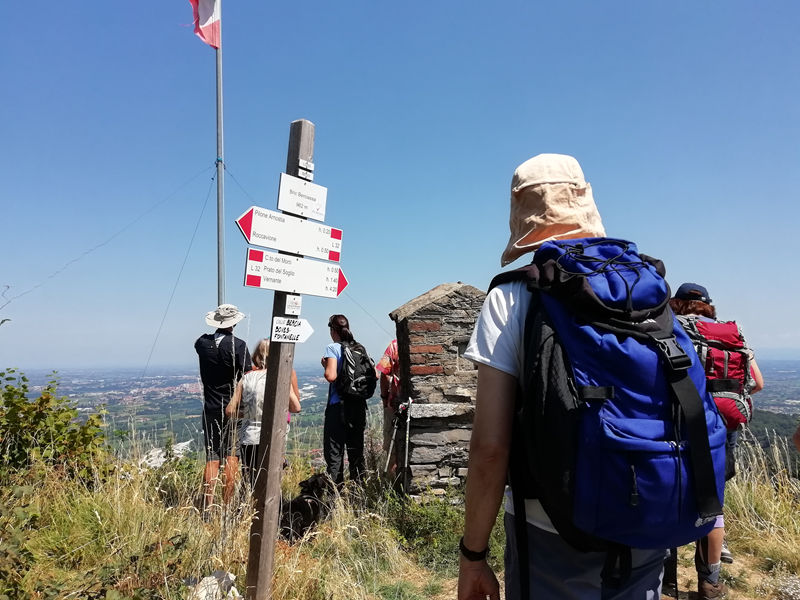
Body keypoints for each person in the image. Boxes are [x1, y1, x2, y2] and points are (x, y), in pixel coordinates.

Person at [458, 154, 670, 600]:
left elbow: (491, 450)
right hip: (650, 514)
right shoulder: (644, 287)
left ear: (519, 212)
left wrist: (472, 556)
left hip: (551, 528)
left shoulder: (512, 297)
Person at [670, 283, 764, 599]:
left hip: (684, 421)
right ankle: (710, 583)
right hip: (725, 423)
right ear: (709, 306)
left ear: (676, 303)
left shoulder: (673, 328)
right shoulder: (730, 333)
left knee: (670, 491)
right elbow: (758, 384)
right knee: (714, 501)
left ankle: (663, 577)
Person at [195, 304, 252, 509]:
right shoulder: (239, 345)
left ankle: (208, 505)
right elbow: (248, 375)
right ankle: (227, 505)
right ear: (234, 323)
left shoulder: (202, 343)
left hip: (210, 406)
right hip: (231, 406)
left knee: (212, 457)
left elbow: (200, 345)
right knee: (231, 455)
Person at [225, 338, 301, 491]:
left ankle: (250, 504)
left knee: (251, 479)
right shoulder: (281, 377)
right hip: (274, 435)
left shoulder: (246, 378)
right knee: (271, 481)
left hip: (249, 437)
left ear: (257, 355)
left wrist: (248, 414)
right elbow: (296, 407)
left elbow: (229, 410)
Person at [322, 314, 368, 485]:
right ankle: (359, 492)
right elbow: (375, 374)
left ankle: (335, 495)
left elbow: (330, 375)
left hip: (338, 407)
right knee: (356, 452)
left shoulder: (333, 347)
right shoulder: (359, 347)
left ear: (333, 330)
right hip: (358, 406)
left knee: (334, 453)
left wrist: (326, 366)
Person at [376, 339, 401, 479]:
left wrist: (385, 398)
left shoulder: (394, 345)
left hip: (394, 405)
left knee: (392, 450)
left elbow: (385, 373)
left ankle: (394, 484)